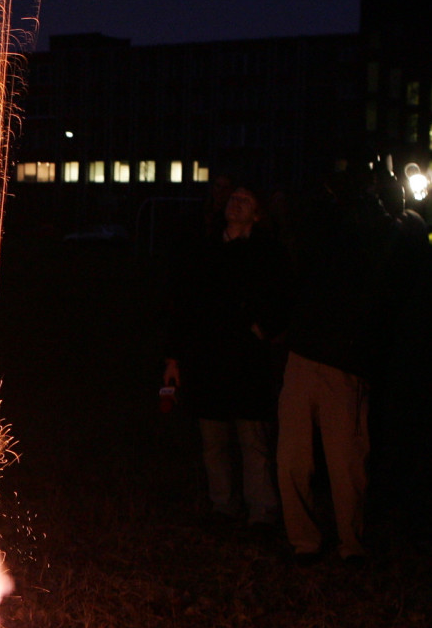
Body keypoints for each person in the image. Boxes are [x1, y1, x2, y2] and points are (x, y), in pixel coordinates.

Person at [275, 165, 400, 563]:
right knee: (291, 458)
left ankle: (352, 543)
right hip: (305, 351)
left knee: (346, 462)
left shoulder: (379, 228)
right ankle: (304, 541)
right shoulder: (321, 221)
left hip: (346, 359)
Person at [164, 185, 287, 528]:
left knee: (253, 440)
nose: (235, 204)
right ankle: (223, 505)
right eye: (233, 198)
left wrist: (262, 328)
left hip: (247, 361)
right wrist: (174, 356)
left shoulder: (267, 252)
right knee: (213, 441)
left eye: (245, 200)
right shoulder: (206, 250)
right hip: (209, 359)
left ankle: (261, 509)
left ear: (258, 212)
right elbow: (184, 303)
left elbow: (281, 297)